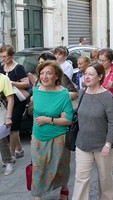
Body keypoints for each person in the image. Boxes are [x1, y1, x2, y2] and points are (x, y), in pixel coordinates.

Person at [72, 62, 113, 200]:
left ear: (100, 77)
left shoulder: (107, 97)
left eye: (91, 74)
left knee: (105, 179)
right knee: (80, 178)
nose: (87, 77)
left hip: (103, 146)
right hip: (83, 144)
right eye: (85, 74)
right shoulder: (82, 93)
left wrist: (108, 144)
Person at [31, 61, 73, 200]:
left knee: (60, 167)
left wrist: (49, 120)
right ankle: (38, 195)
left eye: (49, 73)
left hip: (58, 137)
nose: (44, 76)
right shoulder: (36, 90)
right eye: (42, 73)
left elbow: (68, 120)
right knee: (38, 169)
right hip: (38, 137)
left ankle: (64, 189)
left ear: (56, 76)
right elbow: (36, 112)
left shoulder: (63, 93)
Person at [0, 44, 30, 160]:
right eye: (1, 57)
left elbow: (26, 83)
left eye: (5, 56)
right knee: (13, 127)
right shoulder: (1, 68)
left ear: (12, 55)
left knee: (13, 127)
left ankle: (11, 155)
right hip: (5, 101)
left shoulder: (19, 68)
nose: (3, 59)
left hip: (18, 100)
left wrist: (10, 82)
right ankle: (20, 149)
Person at [0, 73, 15, 176]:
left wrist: (8, 116)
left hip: (1, 111)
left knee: (1, 138)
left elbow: (10, 99)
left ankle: (8, 161)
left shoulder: (3, 79)